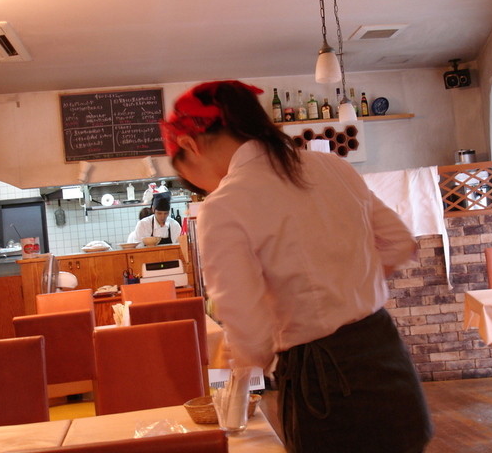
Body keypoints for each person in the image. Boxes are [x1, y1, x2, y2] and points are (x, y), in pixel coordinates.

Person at [160, 80, 432, 453]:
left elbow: (250, 332)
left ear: (191, 145)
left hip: (326, 381)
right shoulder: (331, 166)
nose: (206, 189)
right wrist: (348, 283)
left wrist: (239, 368)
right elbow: (399, 242)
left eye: (193, 177)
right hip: (385, 351)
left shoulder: (224, 205)